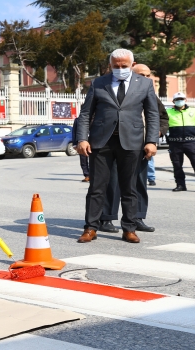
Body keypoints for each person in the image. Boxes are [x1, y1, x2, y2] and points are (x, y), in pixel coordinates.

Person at [76, 49, 159, 244]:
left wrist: (151, 141)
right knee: (97, 188)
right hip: (101, 142)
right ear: (110, 66)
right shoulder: (99, 83)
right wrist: (82, 139)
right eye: (116, 66)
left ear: (132, 64)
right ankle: (91, 228)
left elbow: (152, 114)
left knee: (129, 187)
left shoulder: (145, 84)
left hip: (132, 142)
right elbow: (86, 113)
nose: (120, 69)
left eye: (124, 66)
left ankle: (129, 228)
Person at [97, 63, 168, 234]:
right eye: (141, 75)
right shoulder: (117, 92)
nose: (145, 78)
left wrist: (156, 134)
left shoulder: (151, 95)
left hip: (142, 147)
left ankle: (137, 217)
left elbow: (162, 117)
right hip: (117, 144)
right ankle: (106, 218)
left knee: (139, 183)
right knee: (112, 183)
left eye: (148, 75)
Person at [166, 92, 195, 192]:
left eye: (181, 99)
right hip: (175, 144)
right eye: (177, 99)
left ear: (185, 100)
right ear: (173, 101)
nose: (179, 101)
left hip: (191, 143)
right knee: (177, 166)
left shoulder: (194, 111)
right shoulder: (168, 112)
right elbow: (163, 127)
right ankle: (181, 185)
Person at [72, 118, 89, 182]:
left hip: (93, 142)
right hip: (81, 143)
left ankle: (94, 175)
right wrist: (75, 144)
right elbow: (74, 132)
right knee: (83, 161)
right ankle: (87, 175)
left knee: (95, 161)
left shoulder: (96, 118)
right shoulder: (78, 120)